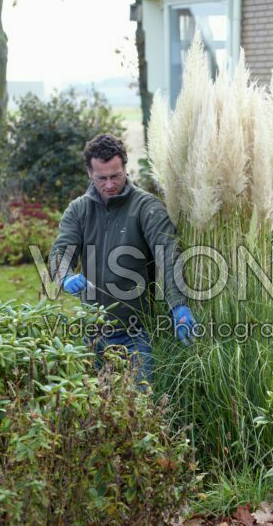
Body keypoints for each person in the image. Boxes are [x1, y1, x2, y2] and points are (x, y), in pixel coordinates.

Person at [49, 133, 195, 382]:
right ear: (89, 173)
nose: (108, 184)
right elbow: (60, 252)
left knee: (141, 406)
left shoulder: (146, 207)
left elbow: (168, 255)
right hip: (93, 329)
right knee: (95, 409)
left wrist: (178, 303)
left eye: (115, 176)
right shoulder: (79, 210)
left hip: (137, 333)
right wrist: (64, 276)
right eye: (101, 178)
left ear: (125, 168)